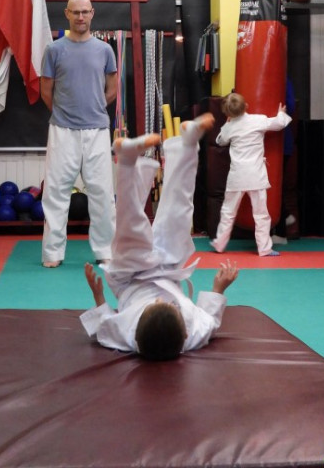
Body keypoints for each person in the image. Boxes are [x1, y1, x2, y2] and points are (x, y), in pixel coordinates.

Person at [81, 115, 239, 360]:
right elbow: (211, 320)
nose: (158, 299)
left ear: (135, 334)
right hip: (169, 270)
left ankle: (127, 161)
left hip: (130, 278)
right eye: (171, 306)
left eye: (153, 304)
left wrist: (97, 295)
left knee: (130, 226)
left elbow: (103, 326)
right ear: (185, 334)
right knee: (179, 212)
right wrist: (219, 287)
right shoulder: (194, 333)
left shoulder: (125, 334)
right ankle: (188, 144)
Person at [40, 0, 117, 268]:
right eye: (76, 12)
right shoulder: (54, 50)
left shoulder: (105, 51)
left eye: (85, 12)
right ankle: (52, 254)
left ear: (92, 13)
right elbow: (46, 91)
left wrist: (92, 109)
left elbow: (112, 89)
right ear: (67, 14)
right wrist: (65, 114)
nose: (81, 17)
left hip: (97, 130)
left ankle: (105, 251)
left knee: (102, 194)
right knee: (55, 193)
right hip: (62, 130)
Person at [210, 92, 291, 257]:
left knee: (228, 212)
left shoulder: (229, 127)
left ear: (227, 113)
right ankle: (264, 248)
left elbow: (220, 141)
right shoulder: (257, 120)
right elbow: (278, 123)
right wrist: (281, 113)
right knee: (261, 214)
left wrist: (227, 124)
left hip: (237, 177)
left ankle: (220, 244)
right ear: (246, 106)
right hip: (255, 176)